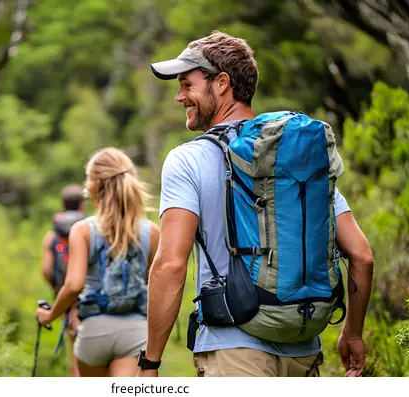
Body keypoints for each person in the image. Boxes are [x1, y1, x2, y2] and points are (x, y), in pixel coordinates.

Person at [136, 31, 375, 377]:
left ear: (221, 83)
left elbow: (171, 265)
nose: (179, 97)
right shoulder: (297, 156)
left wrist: (150, 362)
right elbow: (363, 256)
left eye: (187, 85)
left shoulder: (186, 160)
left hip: (233, 350)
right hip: (304, 348)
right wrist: (352, 334)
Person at [36, 147, 160, 377]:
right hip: (137, 333)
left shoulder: (83, 230)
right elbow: (153, 287)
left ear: (93, 185)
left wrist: (50, 314)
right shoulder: (151, 232)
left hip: (94, 334)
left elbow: (74, 285)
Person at [41, 184, 87, 377]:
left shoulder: (52, 235)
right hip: (89, 294)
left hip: (65, 296)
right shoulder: (89, 228)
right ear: (82, 205)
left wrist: (58, 287)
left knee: (75, 347)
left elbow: (46, 270)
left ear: (63, 204)